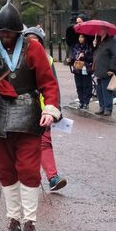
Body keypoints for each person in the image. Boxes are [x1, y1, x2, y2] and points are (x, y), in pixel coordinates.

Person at [0, 4, 61, 231]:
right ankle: (13, 219)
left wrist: (50, 108)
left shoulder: (33, 49)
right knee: (6, 169)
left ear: (18, 32)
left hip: (27, 110)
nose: (6, 37)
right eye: (3, 33)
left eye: (10, 33)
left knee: (29, 169)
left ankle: (29, 222)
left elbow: (48, 83)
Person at [24, 27, 68, 192]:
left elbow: (53, 85)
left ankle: (52, 178)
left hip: (43, 110)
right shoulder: (17, 59)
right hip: (22, 109)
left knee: (44, 143)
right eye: (29, 41)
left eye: (36, 41)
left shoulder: (48, 60)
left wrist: (56, 108)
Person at [93, 32, 116, 116]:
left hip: (106, 69)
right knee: (99, 90)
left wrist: (112, 69)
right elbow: (96, 54)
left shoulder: (112, 41)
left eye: (101, 30)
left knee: (106, 90)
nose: (100, 32)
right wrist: (94, 46)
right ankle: (102, 107)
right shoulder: (99, 41)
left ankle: (108, 108)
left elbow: (114, 56)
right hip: (99, 69)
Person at [68, 34, 94, 110]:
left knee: (87, 86)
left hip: (86, 69)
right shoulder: (76, 46)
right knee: (79, 86)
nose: (80, 39)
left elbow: (91, 58)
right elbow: (73, 56)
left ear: (85, 38)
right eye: (79, 37)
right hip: (77, 69)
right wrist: (71, 59)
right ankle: (81, 101)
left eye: (82, 37)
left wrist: (84, 55)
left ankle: (86, 102)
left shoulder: (89, 46)